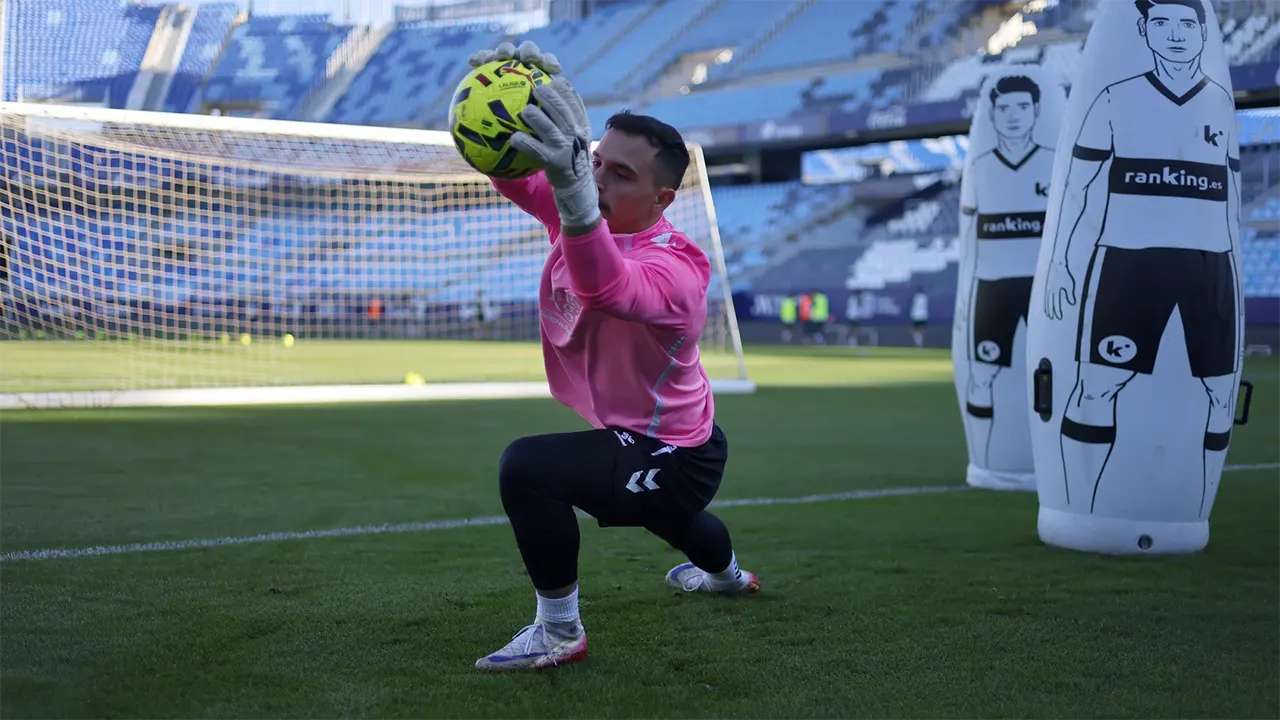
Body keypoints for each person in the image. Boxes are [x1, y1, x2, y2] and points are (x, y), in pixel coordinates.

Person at [466, 41, 760, 673]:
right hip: (660, 440)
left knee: (529, 468)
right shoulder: (586, 209)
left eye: (621, 175)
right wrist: (504, 102)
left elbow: (608, 287)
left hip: (675, 451)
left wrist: (574, 196)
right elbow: (511, 173)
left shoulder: (678, 268)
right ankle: (731, 578)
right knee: (682, 527)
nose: (596, 179)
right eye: (595, 162)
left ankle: (559, 631)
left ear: (663, 199)